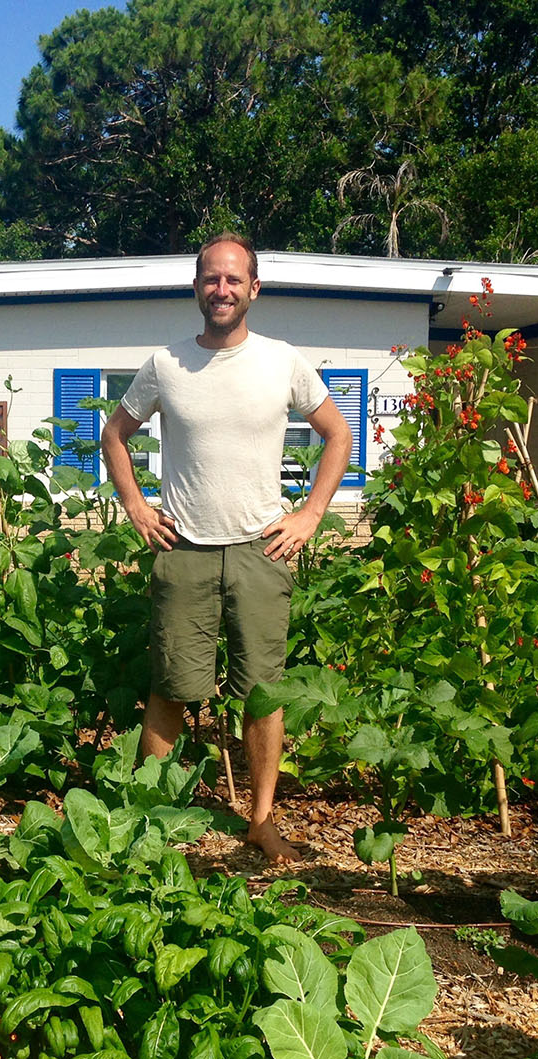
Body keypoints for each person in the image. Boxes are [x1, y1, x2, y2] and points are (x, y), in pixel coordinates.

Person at [100, 232, 354, 864]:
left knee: (262, 694)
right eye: (211, 278)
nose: (222, 289)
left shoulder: (282, 361)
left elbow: (338, 435)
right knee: (170, 689)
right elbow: (115, 435)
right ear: (196, 287)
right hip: (182, 549)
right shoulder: (166, 365)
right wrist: (136, 506)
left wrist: (311, 514)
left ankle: (262, 821)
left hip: (260, 552)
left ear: (254, 290)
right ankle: (148, 825)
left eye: (233, 280)